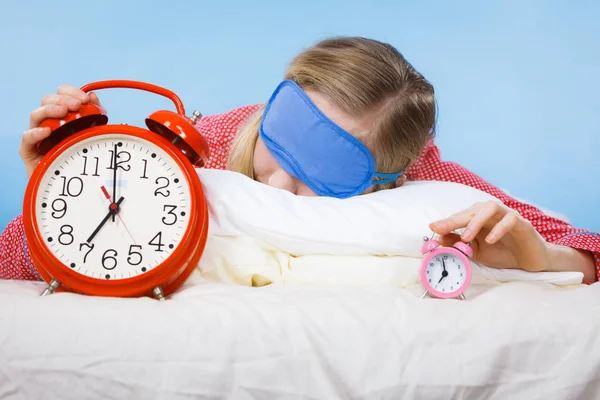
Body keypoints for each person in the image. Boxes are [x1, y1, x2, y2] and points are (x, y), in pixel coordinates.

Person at [1, 36, 599, 284]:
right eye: (277, 145)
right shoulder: (222, 135)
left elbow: (591, 249)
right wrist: (53, 190)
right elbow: (10, 264)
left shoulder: (433, 181)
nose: (281, 184)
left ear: (392, 177)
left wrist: (541, 256)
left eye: (326, 171)